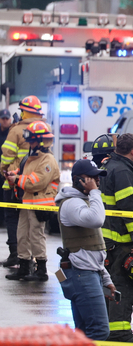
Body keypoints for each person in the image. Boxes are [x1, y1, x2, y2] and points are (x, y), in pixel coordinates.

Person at [54, 159, 116, 340]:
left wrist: (105, 278)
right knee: (99, 330)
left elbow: (93, 249)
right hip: (81, 274)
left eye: (98, 178)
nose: (97, 181)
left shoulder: (83, 201)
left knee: (83, 333)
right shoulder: (72, 203)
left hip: (87, 272)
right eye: (93, 177)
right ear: (79, 180)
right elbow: (97, 219)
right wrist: (95, 193)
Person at [99, 133, 133, 343]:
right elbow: (128, 207)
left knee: (108, 285)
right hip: (121, 241)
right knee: (122, 286)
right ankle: (119, 334)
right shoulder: (122, 171)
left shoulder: (110, 165)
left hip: (107, 240)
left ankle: (108, 330)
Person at [5, 120, 60, 281]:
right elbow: (24, 172)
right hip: (27, 204)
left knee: (36, 236)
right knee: (22, 235)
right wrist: (12, 174)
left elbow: (36, 182)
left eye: (33, 140)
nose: (30, 143)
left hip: (39, 205)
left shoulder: (47, 160)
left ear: (42, 141)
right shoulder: (32, 157)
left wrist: (16, 179)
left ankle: (41, 269)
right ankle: (24, 267)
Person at [1, 97, 48, 269]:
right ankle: (33, 262)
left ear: (24, 111)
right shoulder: (44, 128)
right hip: (35, 186)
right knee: (33, 226)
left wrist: (5, 172)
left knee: (16, 222)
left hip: (13, 184)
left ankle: (18, 256)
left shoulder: (16, 130)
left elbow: (6, 156)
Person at [0, 109, 14, 264]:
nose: (4, 120)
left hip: (9, 178)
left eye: (6, 118)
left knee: (11, 218)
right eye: (2, 118)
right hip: (6, 177)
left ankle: (16, 254)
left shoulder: (12, 133)